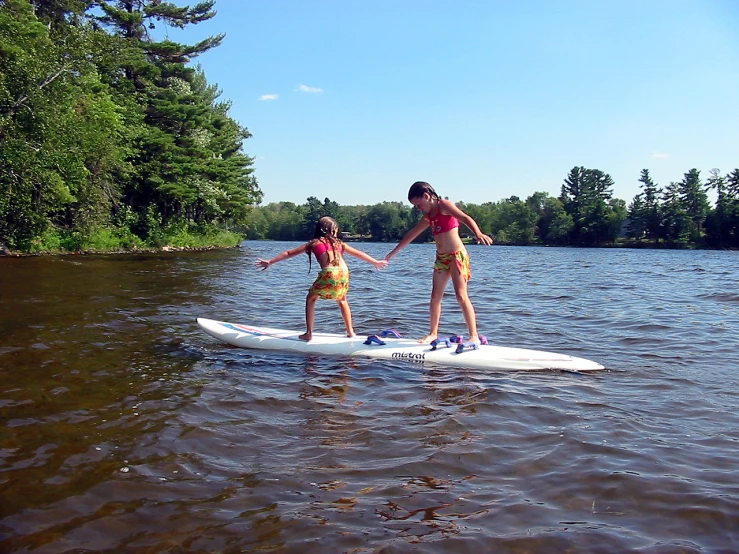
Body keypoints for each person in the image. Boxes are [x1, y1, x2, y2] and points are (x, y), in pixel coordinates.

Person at [385, 181, 494, 344]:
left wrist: (478, 233)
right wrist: (394, 252)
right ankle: (433, 333)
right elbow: (412, 234)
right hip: (442, 259)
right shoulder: (428, 216)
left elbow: (465, 218)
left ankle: (474, 336)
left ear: (427, 196)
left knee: (461, 295)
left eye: (419, 204)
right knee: (435, 296)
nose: (418, 208)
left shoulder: (444, 205)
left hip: (457, 256)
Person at [256, 216, 387, 341]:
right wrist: (375, 262)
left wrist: (270, 261)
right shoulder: (340, 243)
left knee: (311, 298)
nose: (336, 232)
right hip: (344, 272)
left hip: (330, 272)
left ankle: (309, 333)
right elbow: (359, 253)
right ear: (331, 230)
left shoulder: (314, 243)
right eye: (335, 230)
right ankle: (351, 332)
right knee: (342, 300)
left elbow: (288, 253)